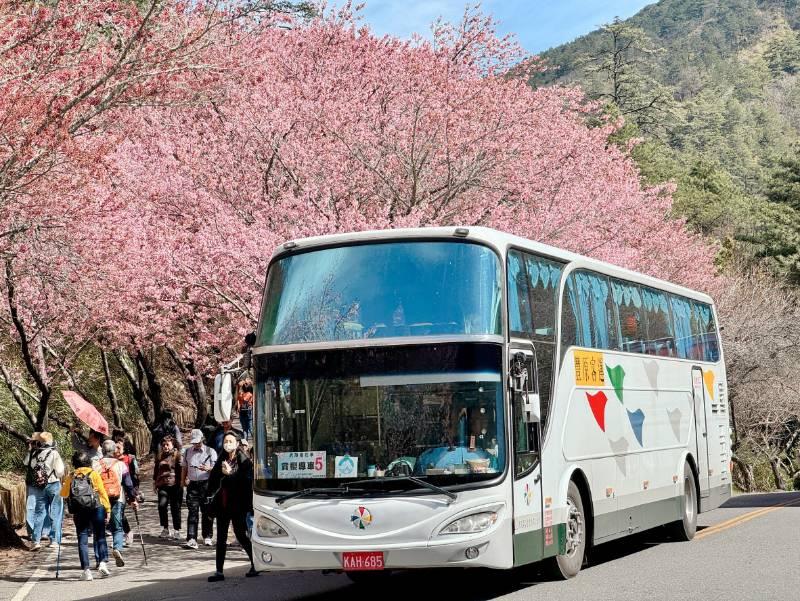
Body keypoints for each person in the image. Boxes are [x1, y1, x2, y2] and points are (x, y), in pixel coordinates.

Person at [207, 432, 258, 582]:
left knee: (241, 535)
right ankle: (219, 571)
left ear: (237, 444)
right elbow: (213, 481)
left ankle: (256, 564)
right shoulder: (222, 459)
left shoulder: (244, 461)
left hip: (238, 505)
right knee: (221, 537)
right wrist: (221, 474)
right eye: (225, 441)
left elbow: (245, 482)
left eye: (230, 441)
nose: (227, 444)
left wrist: (230, 474)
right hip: (222, 505)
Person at [61, 451, 112, 581]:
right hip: (96, 508)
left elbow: (64, 494)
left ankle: (86, 570)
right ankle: (102, 563)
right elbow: (102, 492)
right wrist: (108, 509)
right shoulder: (93, 474)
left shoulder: (71, 476)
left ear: (74, 463)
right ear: (88, 462)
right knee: (100, 536)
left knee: (82, 539)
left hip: (79, 510)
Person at [99, 440, 138, 567]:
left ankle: (101, 558)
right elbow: (128, 484)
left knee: (100, 528)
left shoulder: (96, 465)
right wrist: (132, 499)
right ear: (113, 451)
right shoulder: (120, 464)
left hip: (101, 499)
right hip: (117, 498)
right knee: (117, 526)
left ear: (102, 450)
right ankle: (117, 547)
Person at [24, 432, 65, 551]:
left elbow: (27, 463)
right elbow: (60, 471)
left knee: (39, 512)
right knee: (56, 512)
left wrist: (30, 450)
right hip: (54, 484)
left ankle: (36, 540)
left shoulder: (35, 453)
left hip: (40, 486)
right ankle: (54, 540)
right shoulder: (54, 453)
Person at [182, 429, 217, 549]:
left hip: (206, 484)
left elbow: (217, 469)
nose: (196, 444)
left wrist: (208, 468)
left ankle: (207, 536)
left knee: (206, 511)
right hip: (192, 485)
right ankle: (191, 538)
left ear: (202, 439)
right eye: (194, 442)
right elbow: (184, 468)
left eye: (198, 442)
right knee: (192, 512)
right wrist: (182, 481)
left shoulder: (210, 451)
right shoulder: (187, 452)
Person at [153, 435, 183, 540]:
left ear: (172, 445)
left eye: (167, 445)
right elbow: (156, 470)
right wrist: (155, 482)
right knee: (162, 505)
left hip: (175, 485)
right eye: (163, 445)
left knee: (175, 507)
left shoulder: (177, 455)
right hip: (163, 485)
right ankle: (165, 528)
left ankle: (177, 530)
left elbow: (181, 470)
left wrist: (182, 483)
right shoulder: (159, 456)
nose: (165, 447)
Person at [113, 434, 139, 547]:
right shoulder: (111, 460)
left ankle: (126, 533)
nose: (116, 450)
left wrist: (134, 492)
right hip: (115, 489)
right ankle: (124, 533)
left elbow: (135, 476)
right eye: (115, 447)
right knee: (118, 513)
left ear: (124, 449)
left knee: (120, 513)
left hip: (126, 489)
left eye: (119, 448)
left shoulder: (130, 459)